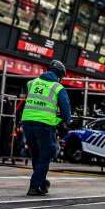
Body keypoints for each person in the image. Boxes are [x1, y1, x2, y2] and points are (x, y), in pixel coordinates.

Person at [21, 60, 71, 196]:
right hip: (44, 125)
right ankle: (34, 186)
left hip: (26, 123)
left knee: (36, 154)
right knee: (47, 153)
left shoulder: (31, 83)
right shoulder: (58, 87)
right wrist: (64, 122)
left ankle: (41, 183)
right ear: (60, 75)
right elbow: (66, 112)